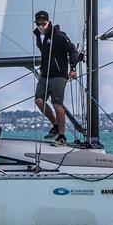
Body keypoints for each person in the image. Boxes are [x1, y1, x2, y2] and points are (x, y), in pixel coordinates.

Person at [33, 10, 78, 146]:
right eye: (38, 23)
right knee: (39, 101)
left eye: (43, 23)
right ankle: (56, 125)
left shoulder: (58, 35)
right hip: (45, 75)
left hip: (59, 75)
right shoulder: (38, 36)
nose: (41, 26)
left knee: (57, 104)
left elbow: (72, 50)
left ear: (48, 22)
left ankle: (62, 137)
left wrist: (73, 68)